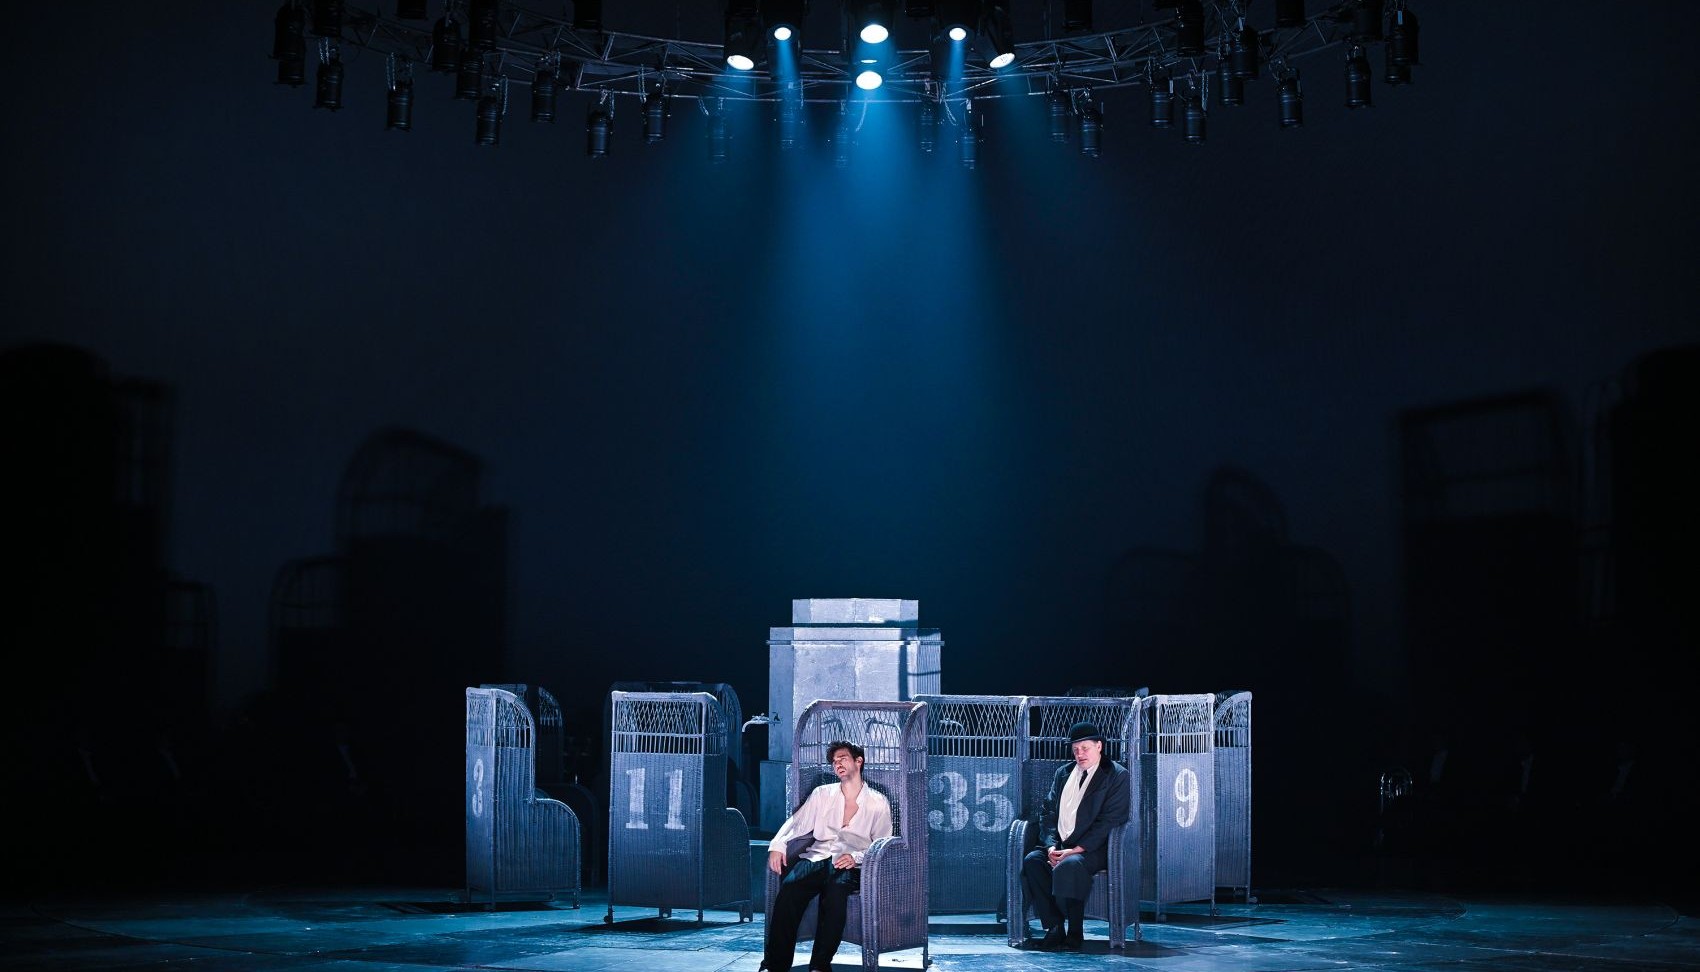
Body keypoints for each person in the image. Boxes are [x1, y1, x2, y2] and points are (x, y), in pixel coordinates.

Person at [762, 740, 893, 972]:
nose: (837, 764)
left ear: (858, 761)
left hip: (849, 864)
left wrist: (856, 857)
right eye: (834, 761)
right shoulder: (822, 794)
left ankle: (820, 966)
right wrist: (778, 843)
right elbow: (797, 822)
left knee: (835, 894)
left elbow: (882, 844)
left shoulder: (878, 802)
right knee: (789, 889)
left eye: (842, 758)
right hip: (817, 857)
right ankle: (775, 966)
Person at [1020, 720, 1131, 952]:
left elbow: (1110, 820)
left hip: (1095, 848)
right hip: (1061, 843)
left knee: (1070, 865)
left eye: (1085, 748)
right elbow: (1048, 812)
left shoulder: (1116, 775)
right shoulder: (1063, 773)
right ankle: (1054, 927)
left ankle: (1075, 932)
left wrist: (1077, 849)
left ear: (1099, 746)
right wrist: (1051, 846)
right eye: (1075, 749)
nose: (1080, 754)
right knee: (1033, 861)